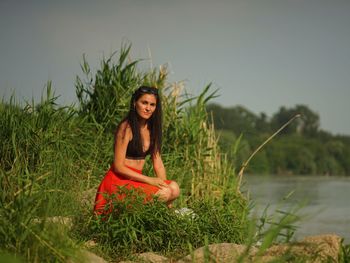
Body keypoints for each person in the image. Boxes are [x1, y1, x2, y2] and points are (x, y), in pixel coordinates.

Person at [94, 86, 180, 215]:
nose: (148, 108)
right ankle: (131, 218)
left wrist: (167, 197)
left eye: (152, 104)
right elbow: (118, 167)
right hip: (119, 181)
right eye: (144, 102)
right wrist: (150, 180)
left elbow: (158, 164)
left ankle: (147, 217)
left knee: (174, 188)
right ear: (135, 103)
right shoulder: (126, 127)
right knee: (166, 192)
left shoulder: (152, 129)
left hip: (136, 181)